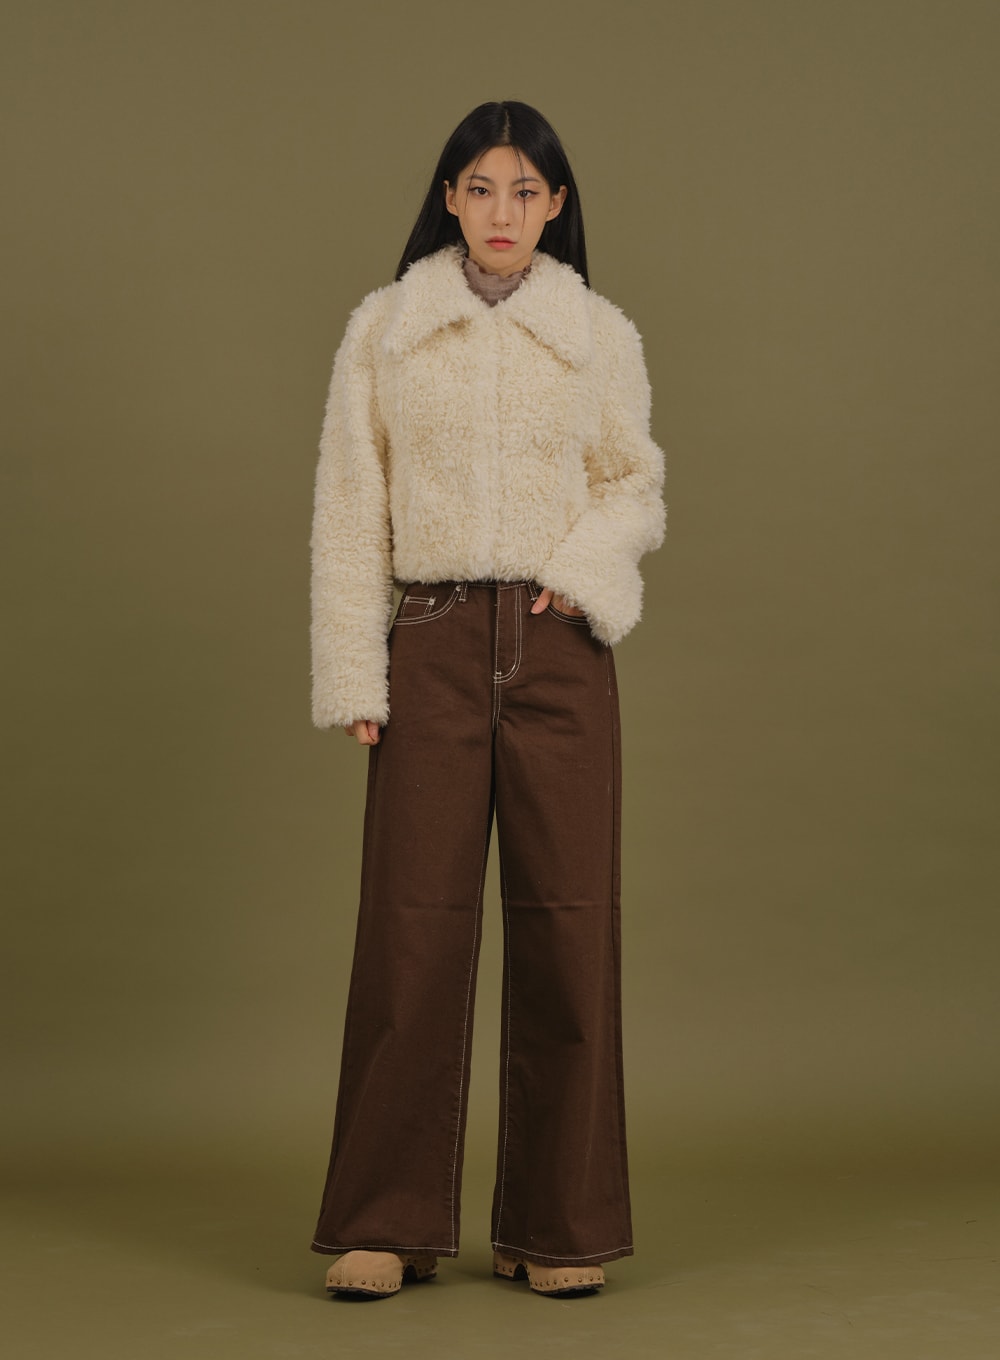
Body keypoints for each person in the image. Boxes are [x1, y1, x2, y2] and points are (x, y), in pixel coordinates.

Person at [308, 100, 665, 1301]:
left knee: (569, 925)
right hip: (431, 637)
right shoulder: (386, 327)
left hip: (560, 644)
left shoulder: (598, 333)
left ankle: (554, 1227)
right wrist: (355, 669)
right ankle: (386, 1221)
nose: (500, 211)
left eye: (523, 189)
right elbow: (351, 501)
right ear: (449, 198)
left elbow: (633, 483)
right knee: (410, 926)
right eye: (478, 187)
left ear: (555, 204)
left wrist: (581, 574)